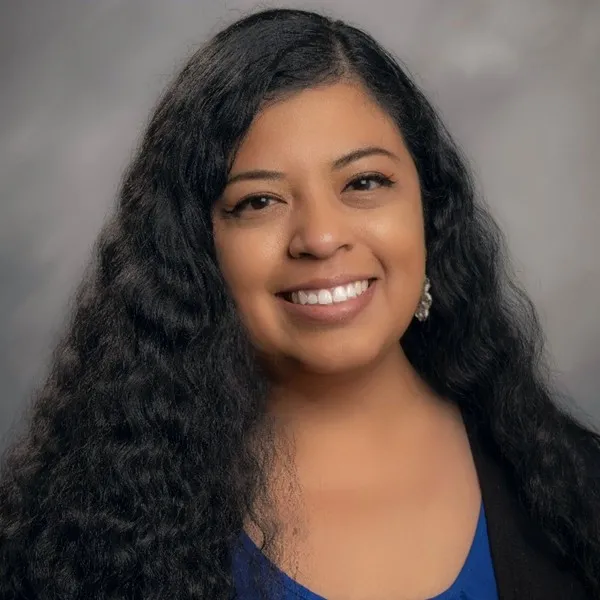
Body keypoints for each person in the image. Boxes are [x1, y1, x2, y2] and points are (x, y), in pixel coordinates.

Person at [0, 7, 598, 600]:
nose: (319, 237)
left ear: (429, 211)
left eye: (363, 183)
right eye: (259, 201)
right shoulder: (80, 539)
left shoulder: (578, 490)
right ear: (193, 251)